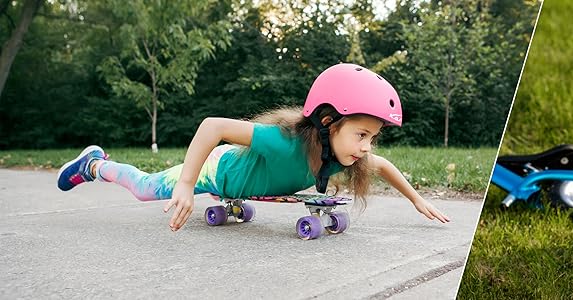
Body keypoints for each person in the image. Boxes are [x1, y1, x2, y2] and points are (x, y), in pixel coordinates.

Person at [56, 63, 451, 232]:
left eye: (372, 137)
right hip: (217, 168)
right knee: (145, 189)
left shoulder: (339, 157)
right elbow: (213, 126)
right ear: (328, 121)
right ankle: (95, 164)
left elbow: (383, 166)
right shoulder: (284, 141)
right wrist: (187, 183)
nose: (367, 147)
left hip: (233, 183)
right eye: (362, 135)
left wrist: (417, 201)